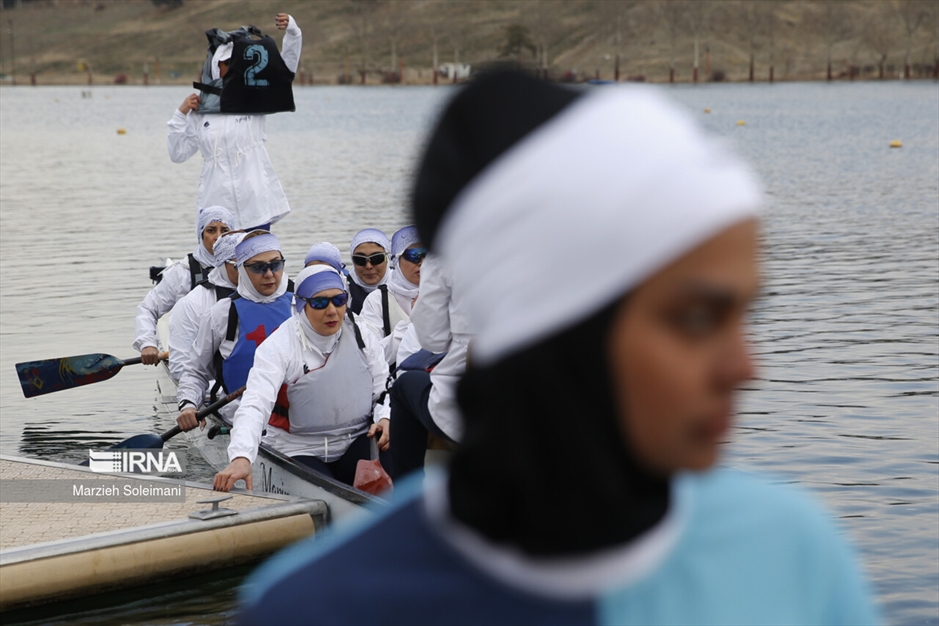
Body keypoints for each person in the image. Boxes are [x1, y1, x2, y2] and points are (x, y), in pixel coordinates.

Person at [236, 72, 880, 625]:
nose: (745, 368)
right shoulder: (319, 608)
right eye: (694, 319)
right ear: (551, 327)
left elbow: (431, 339)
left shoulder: (797, 553)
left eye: (745, 315)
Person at [212, 265, 391, 491]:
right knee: (328, 489)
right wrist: (241, 456)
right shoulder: (279, 345)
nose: (332, 311)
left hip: (356, 439)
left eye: (339, 300)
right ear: (301, 305)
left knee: (395, 451)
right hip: (298, 447)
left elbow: (382, 387)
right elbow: (255, 403)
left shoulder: (361, 333)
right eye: (319, 303)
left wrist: (385, 417)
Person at [167, 13, 301, 231]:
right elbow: (178, 154)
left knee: (258, 253)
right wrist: (179, 116)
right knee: (218, 253)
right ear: (215, 65)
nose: (233, 68)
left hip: (255, 206)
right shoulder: (201, 110)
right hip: (216, 210)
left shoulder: (254, 98)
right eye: (227, 63)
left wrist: (293, 33)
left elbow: (285, 70)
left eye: (236, 63)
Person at [176, 230, 292, 427]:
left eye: (275, 264)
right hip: (242, 418)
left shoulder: (303, 305)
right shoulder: (222, 313)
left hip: (298, 419)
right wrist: (188, 405)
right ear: (242, 269)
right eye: (258, 267)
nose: (269, 274)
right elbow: (196, 372)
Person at [389, 252, 466, 479]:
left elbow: (432, 339)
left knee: (403, 386)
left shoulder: (444, 253)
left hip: (471, 407)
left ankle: (408, 490)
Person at [133, 205, 234, 365]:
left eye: (225, 231)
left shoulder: (245, 268)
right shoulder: (182, 273)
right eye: (211, 230)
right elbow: (148, 309)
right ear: (200, 235)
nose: (218, 237)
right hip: (191, 355)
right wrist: (147, 343)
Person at [167, 230, 245, 381]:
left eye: (256, 265)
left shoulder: (278, 297)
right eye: (239, 265)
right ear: (222, 264)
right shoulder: (192, 304)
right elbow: (180, 368)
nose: (248, 271)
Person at [359, 225, 425, 367]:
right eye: (414, 255)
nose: (422, 262)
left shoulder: (450, 294)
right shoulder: (377, 300)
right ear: (396, 260)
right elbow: (369, 358)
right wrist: (414, 323)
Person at [345, 228, 391, 315]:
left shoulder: (404, 289)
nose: (368, 266)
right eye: (360, 259)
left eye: (376, 258)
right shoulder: (343, 292)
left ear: (387, 259)